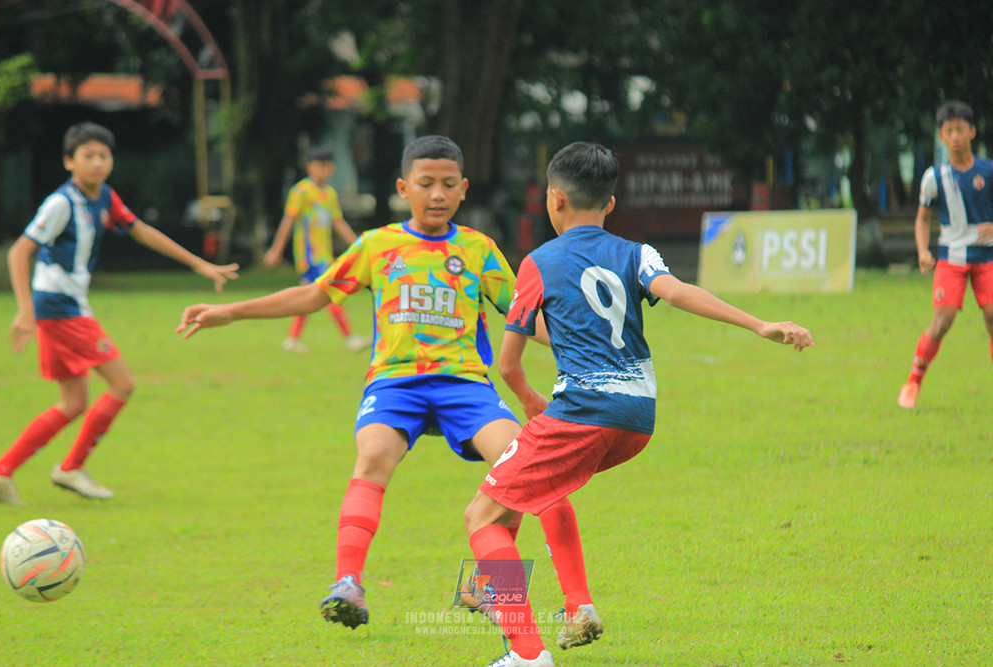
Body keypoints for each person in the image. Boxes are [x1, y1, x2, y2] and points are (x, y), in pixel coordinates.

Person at [176, 135, 581, 633]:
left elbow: (522, 316)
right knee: (372, 457)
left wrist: (582, 344)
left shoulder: (478, 250)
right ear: (403, 188)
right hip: (395, 385)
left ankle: (487, 586)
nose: (437, 194)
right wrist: (231, 312)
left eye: (448, 184)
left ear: (463, 188)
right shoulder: (376, 245)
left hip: (464, 384)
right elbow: (314, 295)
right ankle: (348, 582)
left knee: (518, 463)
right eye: (425, 183)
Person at [460, 142, 814, 667]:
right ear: (610, 203)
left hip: (582, 412)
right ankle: (575, 607)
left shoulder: (537, 263)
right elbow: (678, 292)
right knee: (532, 494)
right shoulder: (636, 252)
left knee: (481, 515)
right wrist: (760, 324)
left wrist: (531, 400)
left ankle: (527, 653)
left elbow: (509, 363)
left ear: (554, 199)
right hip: (637, 419)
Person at [0, 121, 239, 506]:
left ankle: (1, 472)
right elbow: (19, 251)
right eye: (87, 156)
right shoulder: (62, 203)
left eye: (103, 156)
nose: (97, 163)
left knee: (73, 402)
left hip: (65, 306)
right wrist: (25, 310)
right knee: (122, 384)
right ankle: (72, 468)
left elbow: (140, 231)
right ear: (69, 161)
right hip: (59, 307)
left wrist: (198, 264)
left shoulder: (105, 196)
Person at [897, 100, 993, 409]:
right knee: (941, 322)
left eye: (960, 130)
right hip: (951, 258)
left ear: (972, 132)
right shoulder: (934, 177)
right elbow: (923, 219)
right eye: (948, 131)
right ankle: (913, 382)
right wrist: (923, 250)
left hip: (988, 257)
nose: (955, 137)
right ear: (940, 136)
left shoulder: (988, 172)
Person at [263, 146, 369, 353]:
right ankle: (350, 338)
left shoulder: (329, 193)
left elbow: (338, 222)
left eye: (326, 166)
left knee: (307, 296)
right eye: (318, 165)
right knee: (330, 292)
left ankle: (292, 339)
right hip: (310, 255)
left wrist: (360, 246)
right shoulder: (301, 191)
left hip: (324, 254)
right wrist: (276, 250)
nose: (322, 170)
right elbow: (289, 220)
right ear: (310, 167)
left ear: (332, 168)